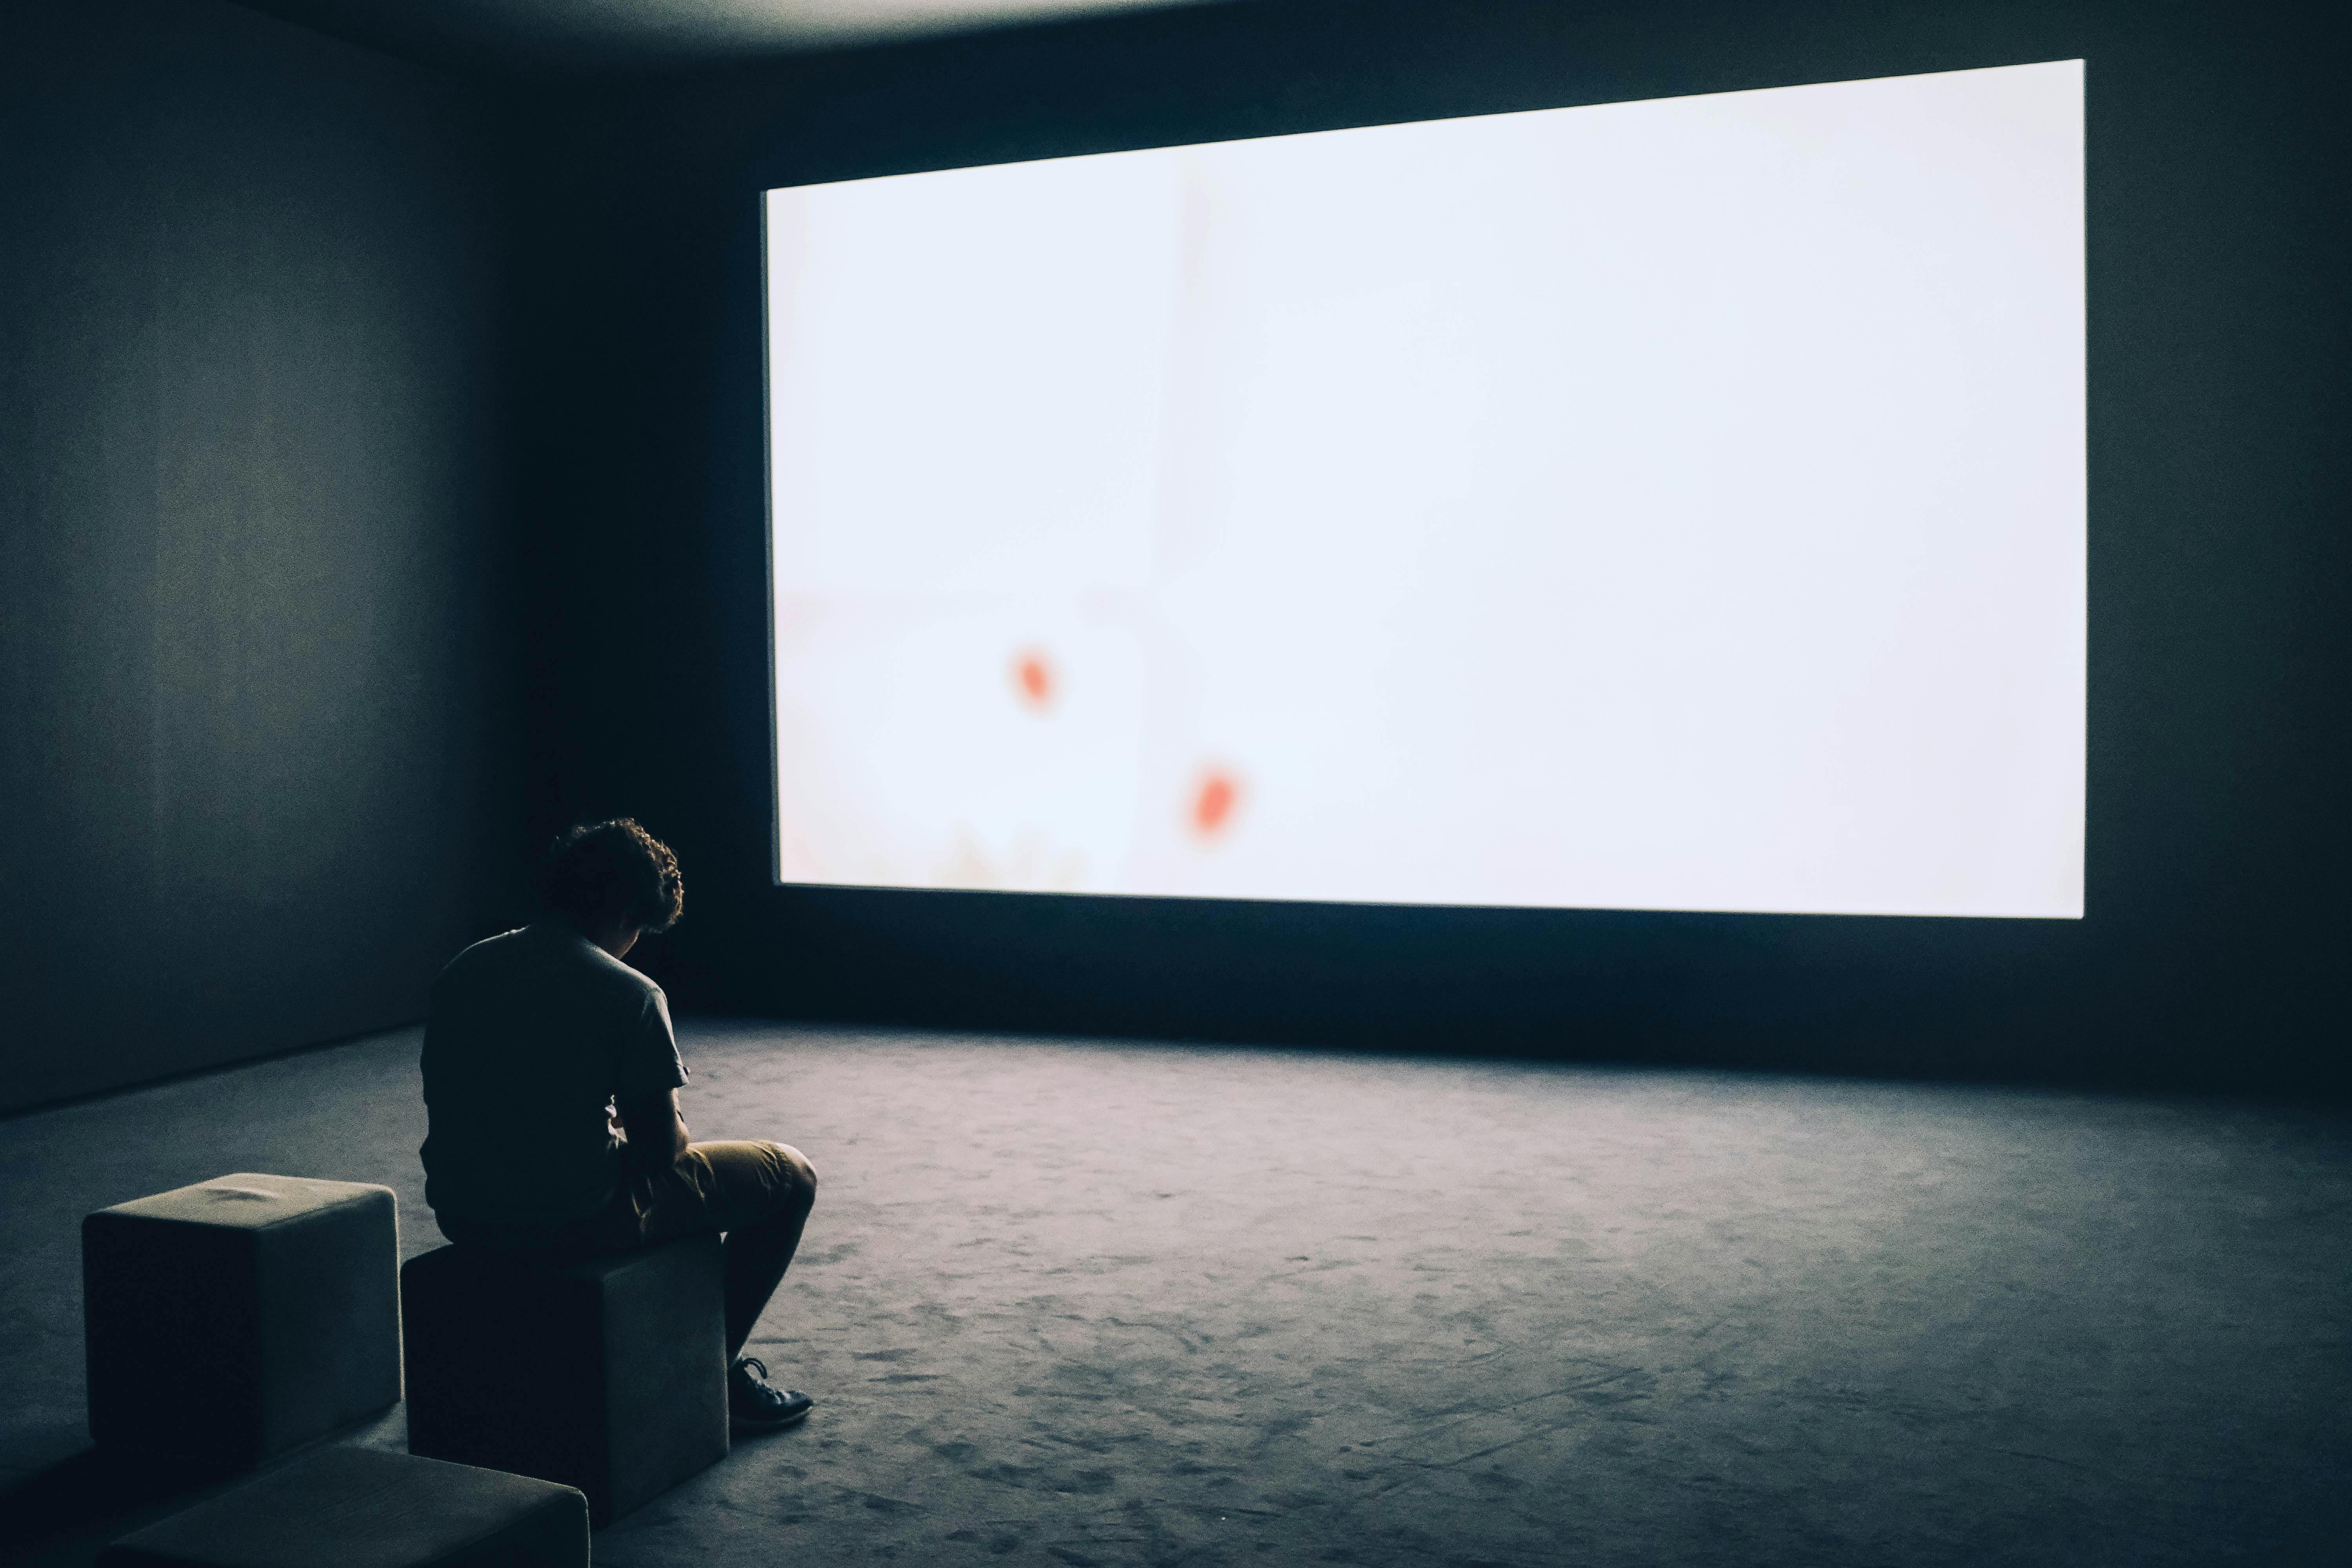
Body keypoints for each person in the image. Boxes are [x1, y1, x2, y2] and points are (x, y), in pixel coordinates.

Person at [418, 818, 818, 1430]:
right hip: (570, 1218)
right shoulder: (628, 991)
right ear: (630, 909)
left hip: (464, 1211)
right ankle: (711, 1371)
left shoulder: (465, 968)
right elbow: (661, 1151)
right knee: (790, 1176)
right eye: (640, 927)